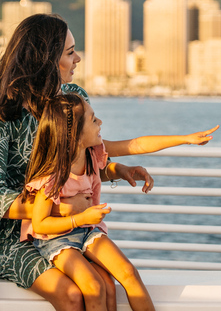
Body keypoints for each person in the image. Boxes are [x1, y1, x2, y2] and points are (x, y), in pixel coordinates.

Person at [0, 13, 218, 311]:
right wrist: (61, 209)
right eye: (70, 52)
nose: (78, 58)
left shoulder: (73, 97)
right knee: (74, 294)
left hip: (72, 229)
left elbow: (87, 160)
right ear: (45, 60)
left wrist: (118, 170)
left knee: (106, 283)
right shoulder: (2, 114)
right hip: (17, 239)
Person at [22, 93, 154, 311]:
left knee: (128, 273)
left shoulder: (92, 156)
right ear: (75, 133)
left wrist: (124, 170)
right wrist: (80, 218)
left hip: (88, 231)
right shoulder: (52, 174)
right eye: (93, 120)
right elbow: (40, 224)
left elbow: (133, 148)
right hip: (56, 240)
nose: (100, 122)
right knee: (93, 285)